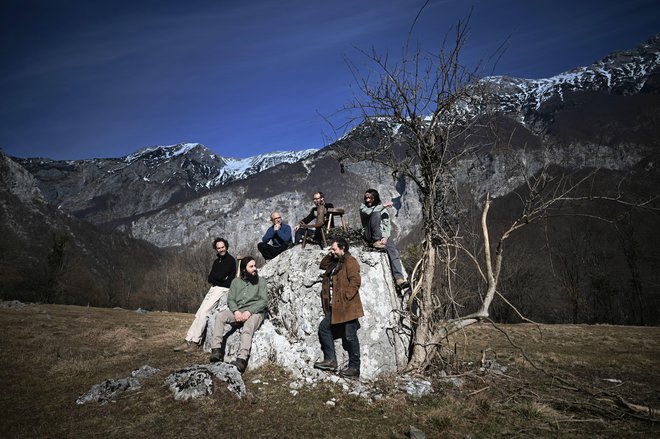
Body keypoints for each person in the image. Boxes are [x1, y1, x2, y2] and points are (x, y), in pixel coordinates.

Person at [173, 237, 236, 352]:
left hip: (222, 289)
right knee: (199, 313)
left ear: (226, 247)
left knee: (205, 312)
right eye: (218, 248)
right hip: (213, 288)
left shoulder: (230, 260)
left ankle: (195, 342)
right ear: (216, 249)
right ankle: (188, 339)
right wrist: (217, 278)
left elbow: (220, 277)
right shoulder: (217, 261)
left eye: (223, 247)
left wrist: (217, 278)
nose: (221, 249)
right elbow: (210, 277)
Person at [313, 238, 363, 378]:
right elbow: (323, 265)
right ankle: (331, 360)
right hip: (336, 306)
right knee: (324, 328)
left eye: (334, 249)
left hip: (348, 306)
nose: (332, 251)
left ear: (343, 248)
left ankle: (354, 368)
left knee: (350, 336)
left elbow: (356, 280)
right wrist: (331, 254)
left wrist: (347, 296)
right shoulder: (336, 261)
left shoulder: (350, 261)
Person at [209, 256, 268, 373]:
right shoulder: (236, 282)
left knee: (247, 327)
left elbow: (263, 301)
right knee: (220, 316)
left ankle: (242, 359)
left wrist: (249, 311)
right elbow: (231, 300)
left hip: (256, 312)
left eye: (255, 265)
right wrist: (236, 312)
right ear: (244, 269)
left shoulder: (261, 281)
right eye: (251, 266)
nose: (255, 268)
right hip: (238, 312)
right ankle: (216, 351)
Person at [360, 188, 409, 289]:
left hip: (383, 236)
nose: (367, 200)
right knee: (376, 213)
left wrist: (385, 237)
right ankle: (376, 241)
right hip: (369, 234)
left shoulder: (383, 210)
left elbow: (387, 225)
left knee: (393, 251)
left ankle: (399, 279)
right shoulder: (363, 207)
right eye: (366, 198)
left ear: (375, 198)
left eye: (370, 198)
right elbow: (370, 212)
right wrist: (384, 205)